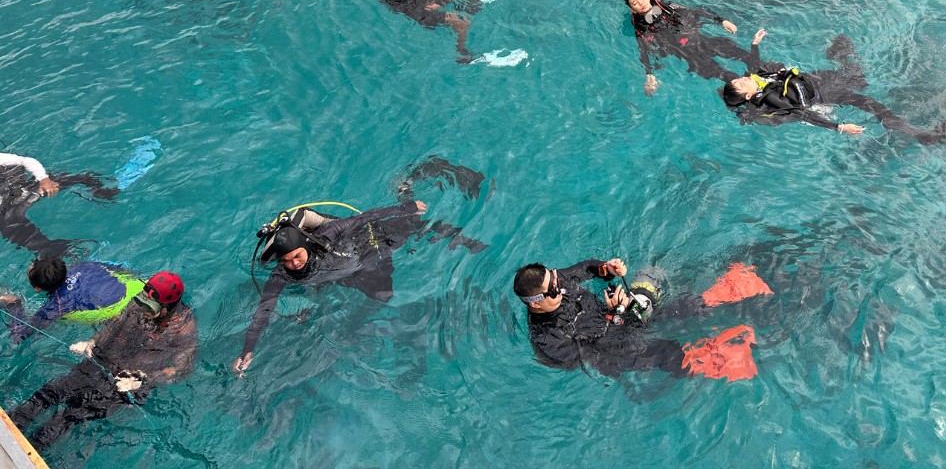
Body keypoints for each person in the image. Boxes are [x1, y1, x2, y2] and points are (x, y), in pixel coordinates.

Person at [233, 158, 488, 375]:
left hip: (365, 246)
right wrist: (247, 350)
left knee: (414, 228)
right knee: (381, 297)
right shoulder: (279, 275)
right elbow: (262, 313)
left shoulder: (328, 234)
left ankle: (419, 201)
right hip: (344, 271)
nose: (293, 264)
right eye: (286, 261)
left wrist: (404, 208)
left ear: (306, 246)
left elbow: (363, 217)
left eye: (297, 256)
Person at [7, 271, 197, 451]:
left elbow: (181, 369)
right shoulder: (138, 303)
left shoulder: (183, 330)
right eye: (142, 301)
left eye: (150, 307)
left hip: (125, 382)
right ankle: (8, 427)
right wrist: (91, 342)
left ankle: (31, 450)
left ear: (166, 309)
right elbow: (114, 327)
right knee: (51, 391)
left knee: (69, 415)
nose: (143, 309)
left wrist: (142, 379)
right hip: (103, 360)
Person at [513, 258, 769, 380]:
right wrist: (616, 317)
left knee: (653, 284)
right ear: (536, 302)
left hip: (619, 315)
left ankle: (725, 292)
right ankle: (713, 362)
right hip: (616, 349)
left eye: (556, 278)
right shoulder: (547, 339)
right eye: (554, 288)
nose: (561, 284)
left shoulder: (558, 281)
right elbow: (589, 358)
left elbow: (585, 269)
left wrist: (607, 269)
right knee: (664, 353)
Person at [720, 33, 946, 146]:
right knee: (870, 103)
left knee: (846, 54)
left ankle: (849, 65)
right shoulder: (773, 99)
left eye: (740, 80)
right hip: (825, 94)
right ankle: (924, 135)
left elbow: (752, 65)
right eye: (741, 84)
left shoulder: (756, 80)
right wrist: (839, 127)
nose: (743, 79)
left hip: (819, 79)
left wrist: (754, 44)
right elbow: (804, 115)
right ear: (747, 95)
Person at [624, 0, 760, 96]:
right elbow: (643, 50)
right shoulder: (640, 27)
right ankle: (749, 93)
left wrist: (721, 21)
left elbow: (696, 11)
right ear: (632, 10)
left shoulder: (665, 5)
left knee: (743, 55)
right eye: (635, 3)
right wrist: (649, 74)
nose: (640, 2)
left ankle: (764, 75)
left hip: (701, 40)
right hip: (688, 54)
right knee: (724, 75)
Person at [0, 152, 119, 257]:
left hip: (22, 190)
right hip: (8, 210)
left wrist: (43, 179)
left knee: (68, 178)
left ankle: (102, 189)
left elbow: (25, 161)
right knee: (10, 225)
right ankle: (63, 252)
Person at [1, 257, 144, 344]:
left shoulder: (54, 307)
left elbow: (21, 335)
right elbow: (123, 268)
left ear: (38, 289)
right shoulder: (86, 265)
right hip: (142, 289)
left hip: (124, 315)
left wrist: (15, 307)